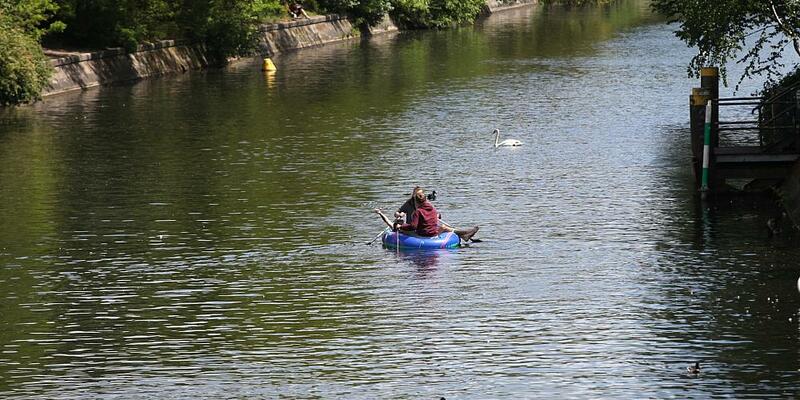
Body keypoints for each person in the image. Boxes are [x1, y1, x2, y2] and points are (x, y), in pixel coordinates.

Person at [375, 187, 479, 242]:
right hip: (432, 232)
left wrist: (400, 226)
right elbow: (399, 212)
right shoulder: (430, 207)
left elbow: (413, 226)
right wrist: (399, 214)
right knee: (443, 227)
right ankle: (465, 233)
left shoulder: (418, 211)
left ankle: (465, 233)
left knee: (402, 229)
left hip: (422, 233)